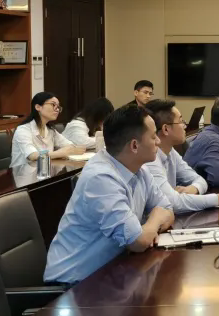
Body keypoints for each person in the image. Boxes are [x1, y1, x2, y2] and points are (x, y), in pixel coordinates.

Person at [44, 104, 174, 284]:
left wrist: (151, 226)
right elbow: (138, 242)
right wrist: (156, 218)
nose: (158, 141)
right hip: (74, 285)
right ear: (134, 145)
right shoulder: (101, 178)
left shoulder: (138, 168)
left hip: (112, 273)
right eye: (153, 137)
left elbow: (168, 210)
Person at [144, 99, 219, 212]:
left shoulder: (171, 152)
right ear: (166, 129)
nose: (185, 126)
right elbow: (173, 203)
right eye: (181, 121)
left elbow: (199, 180)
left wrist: (195, 188)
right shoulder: (150, 161)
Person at [11, 92, 86, 167]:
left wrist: (66, 150)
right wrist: (60, 153)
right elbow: (33, 155)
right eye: (53, 105)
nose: (57, 109)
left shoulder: (51, 130)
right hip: (23, 171)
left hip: (45, 170)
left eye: (58, 107)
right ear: (38, 107)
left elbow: (70, 145)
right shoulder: (23, 130)